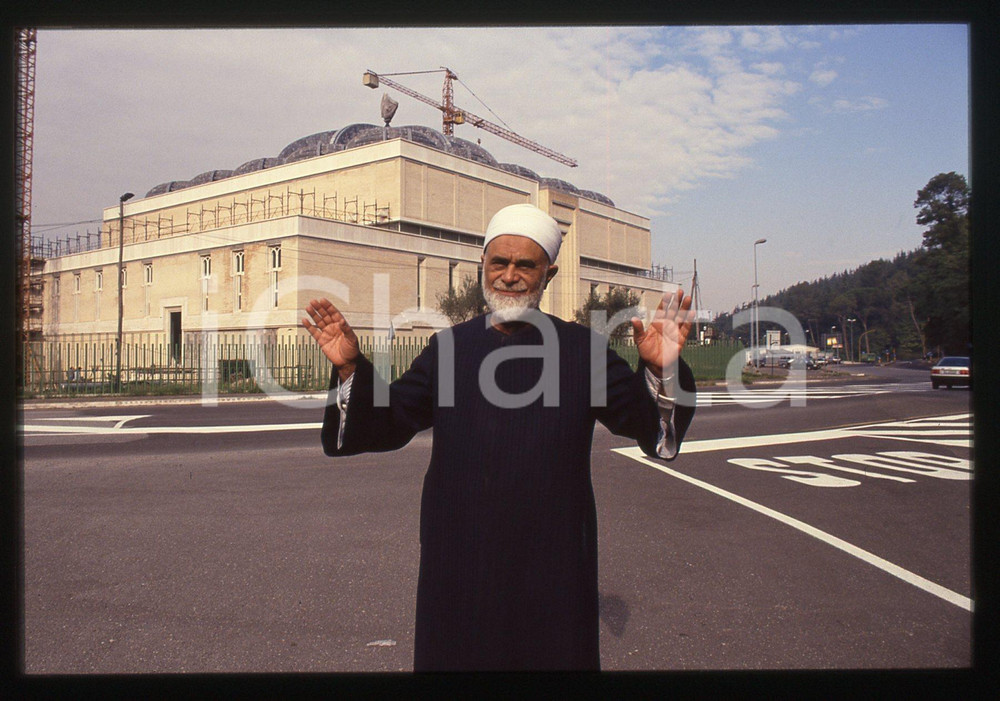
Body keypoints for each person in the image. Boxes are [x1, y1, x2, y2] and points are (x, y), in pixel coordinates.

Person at [303, 203, 696, 672]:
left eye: (524, 265)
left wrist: (659, 368)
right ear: (482, 268)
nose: (509, 275)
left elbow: (644, 424)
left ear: (547, 274)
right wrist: (350, 367)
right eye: (499, 263)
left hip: (552, 565)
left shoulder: (582, 352)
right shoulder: (450, 348)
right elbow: (390, 421)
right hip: (459, 562)